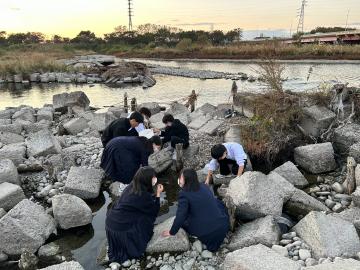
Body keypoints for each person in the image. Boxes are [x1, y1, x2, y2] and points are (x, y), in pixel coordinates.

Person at [106, 167, 164, 264]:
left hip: (111, 224)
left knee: (138, 214)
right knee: (145, 218)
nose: (155, 179)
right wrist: (158, 194)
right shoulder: (143, 195)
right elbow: (154, 211)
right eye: (153, 177)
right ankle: (131, 245)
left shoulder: (132, 186)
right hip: (121, 230)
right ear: (147, 180)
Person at [162, 168, 229, 252]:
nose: (179, 179)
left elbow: (181, 216)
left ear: (187, 180)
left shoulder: (183, 194)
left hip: (207, 233)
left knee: (183, 221)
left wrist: (172, 232)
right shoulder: (204, 186)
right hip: (222, 226)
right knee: (217, 202)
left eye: (181, 178)